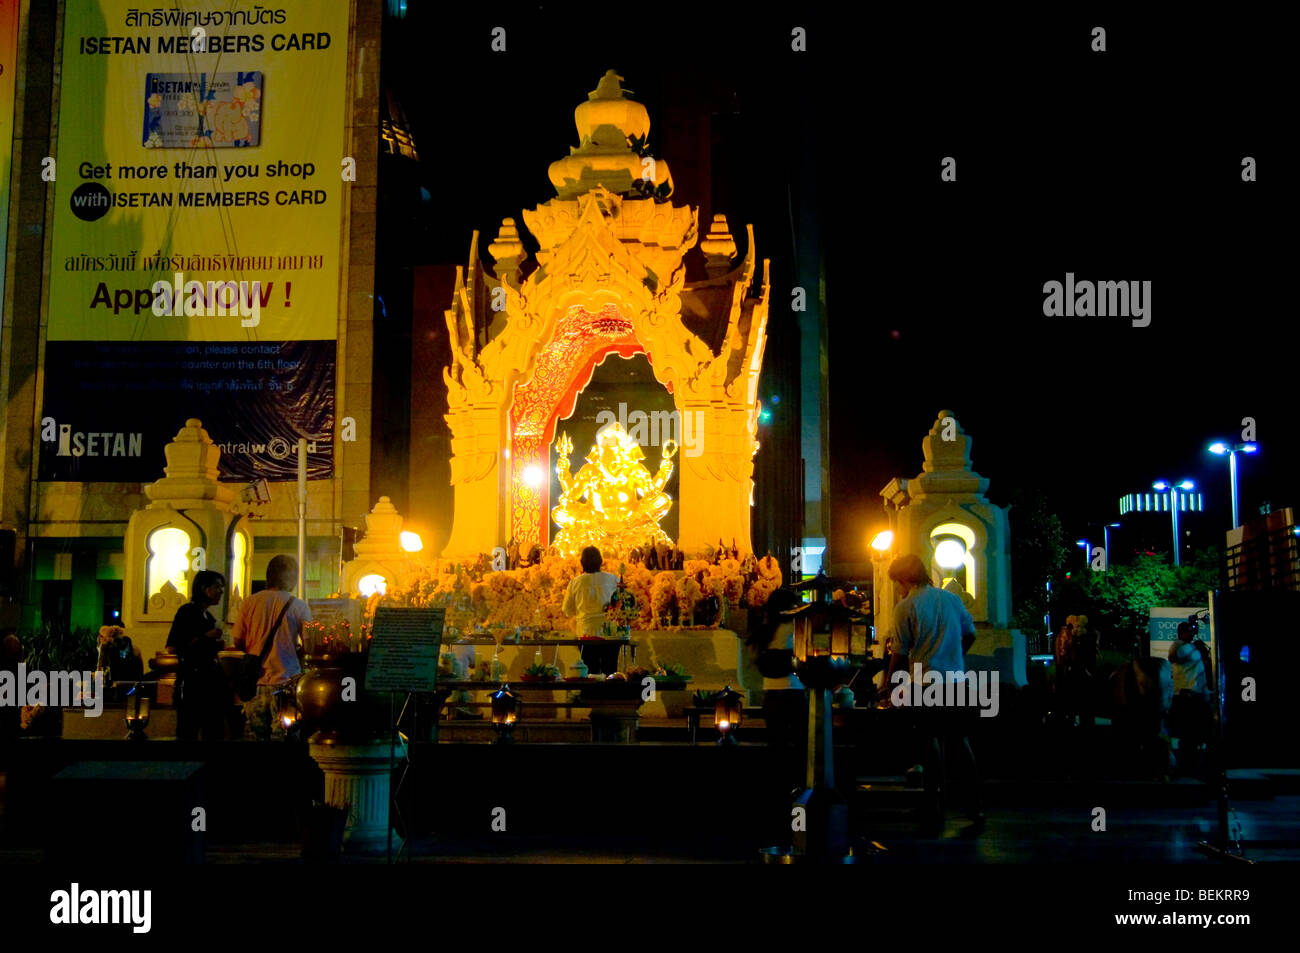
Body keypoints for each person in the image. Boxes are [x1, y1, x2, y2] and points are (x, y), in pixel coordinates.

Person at [884, 553, 983, 834]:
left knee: (929, 743)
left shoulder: (906, 606)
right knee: (961, 742)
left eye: (897, 582)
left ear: (904, 579)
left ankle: (933, 803)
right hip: (956, 680)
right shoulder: (951, 599)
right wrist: (956, 658)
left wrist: (890, 684)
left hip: (925, 683)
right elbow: (971, 633)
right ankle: (975, 805)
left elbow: (899, 652)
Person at [232, 555, 312, 740]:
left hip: (255, 682)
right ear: (291, 578)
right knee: (284, 737)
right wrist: (294, 651)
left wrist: (255, 649)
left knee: (255, 737)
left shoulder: (249, 602)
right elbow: (308, 645)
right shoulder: (299, 606)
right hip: (287, 681)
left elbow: (238, 642)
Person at [166, 570, 228, 740]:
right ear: (204, 588)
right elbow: (173, 647)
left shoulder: (208, 616)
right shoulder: (187, 612)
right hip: (192, 682)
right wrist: (205, 638)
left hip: (210, 683)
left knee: (213, 730)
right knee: (189, 731)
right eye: (217, 587)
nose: (221, 591)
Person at [1167, 621, 1213, 775]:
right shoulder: (1178, 645)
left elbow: (1205, 664)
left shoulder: (1193, 647)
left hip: (1200, 694)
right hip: (1186, 694)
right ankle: (1186, 766)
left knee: (1199, 733)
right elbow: (1172, 657)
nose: (1191, 634)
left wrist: (1203, 651)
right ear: (1181, 633)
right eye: (1188, 632)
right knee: (1188, 733)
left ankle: (1194, 764)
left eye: (1192, 631)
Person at [562, 546, 619, 638]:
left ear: (582, 563)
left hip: (585, 631)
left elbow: (567, 610)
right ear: (601, 561)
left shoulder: (575, 583)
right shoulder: (613, 579)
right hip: (609, 632)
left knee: (587, 653)